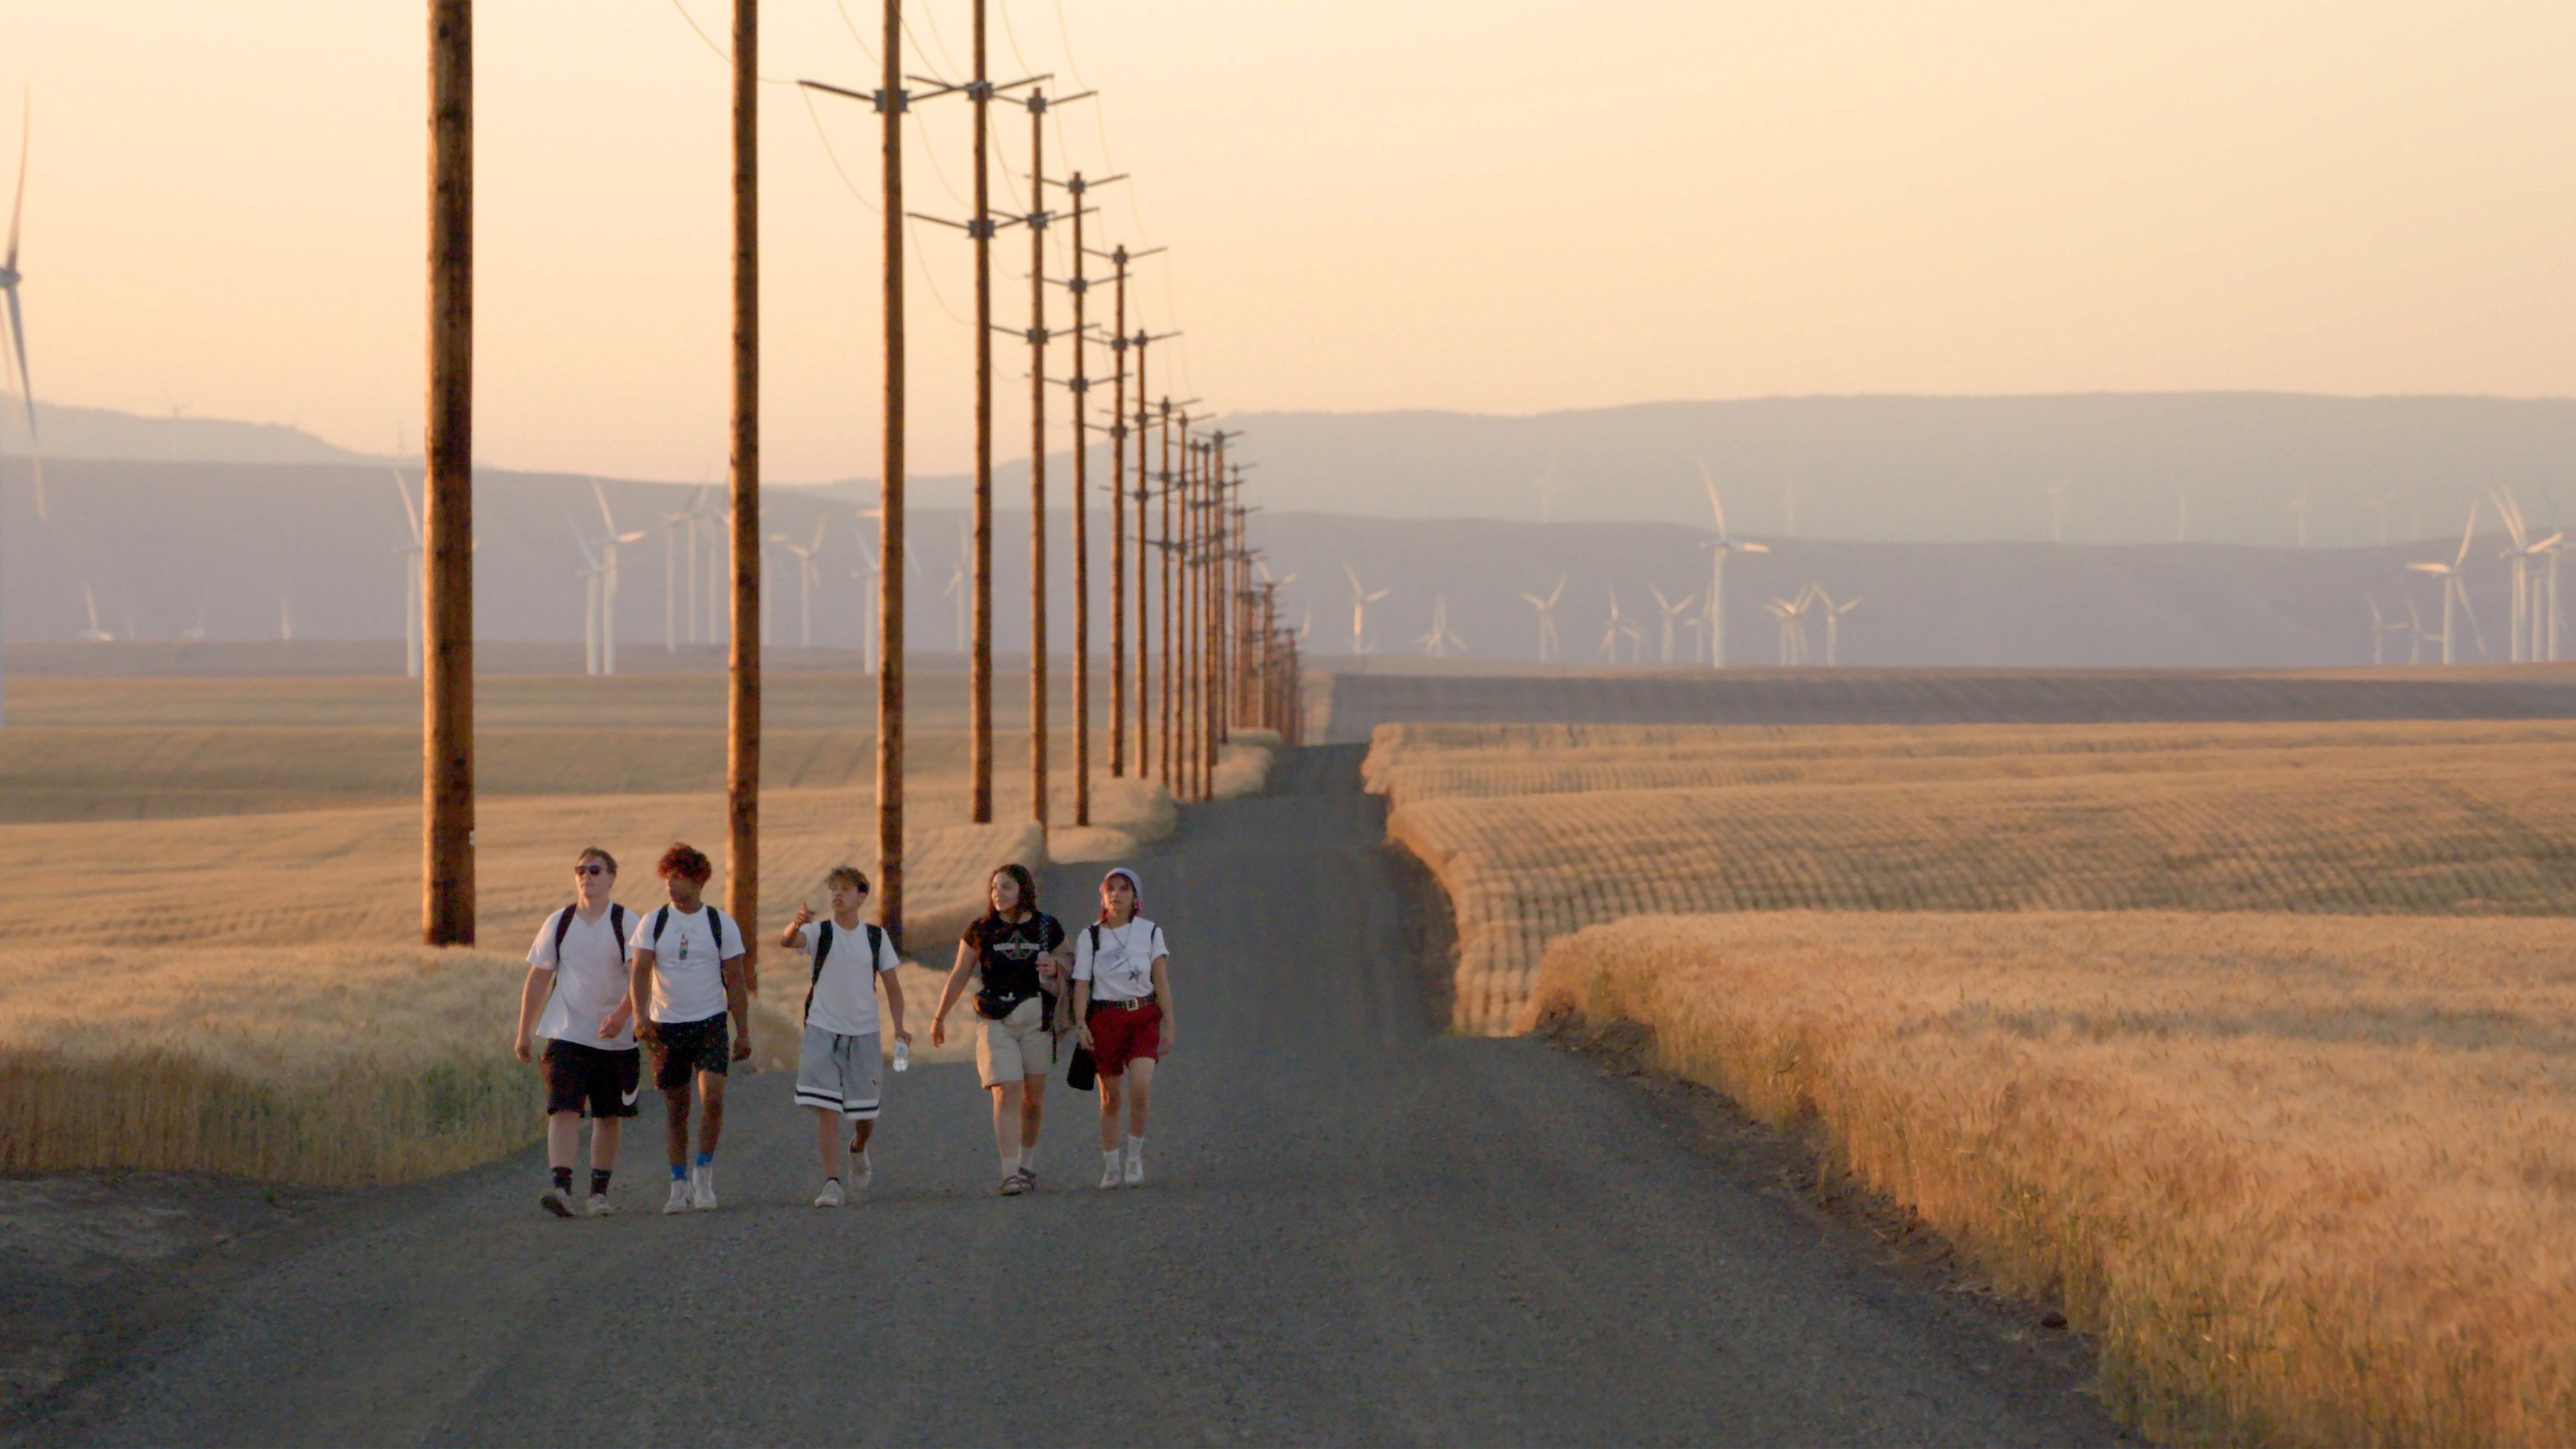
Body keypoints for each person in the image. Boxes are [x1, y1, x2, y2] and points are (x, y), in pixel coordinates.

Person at [622, 842, 751, 1214]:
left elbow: (736, 980)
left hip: (710, 1021)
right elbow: (641, 971)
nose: (671, 886)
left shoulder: (720, 924)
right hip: (666, 1026)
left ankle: (704, 1174)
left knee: (712, 1098)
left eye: (678, 878)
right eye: (667, 879)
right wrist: (640, 1016)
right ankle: (678, 1184)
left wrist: (742, 1031)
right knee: (677, 1108)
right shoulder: (654, 922)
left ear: (698, 881)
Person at [513, 847, 638, 1218]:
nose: (586, 876)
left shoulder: (626, 923)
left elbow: (641, 980)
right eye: (580, 870)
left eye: (595, 870)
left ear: (612, 877)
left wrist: (620, 1016)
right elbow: (538, 977)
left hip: (615, 1038)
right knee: (563, 1109)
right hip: (567, 1032)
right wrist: (524, 1031)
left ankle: (599, 1193)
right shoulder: (560, 922)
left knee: (608, 1115)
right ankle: (562, 1188)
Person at [931, 863, 1069, 1196]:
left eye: (1006, 887)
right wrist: (939, 1017)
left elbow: (1073, 964)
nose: (998, 894)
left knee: (1032, 1099)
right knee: (1006, 1088)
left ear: (1023, 890)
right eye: (994, 888)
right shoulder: (981, 929)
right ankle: (1009, 1173)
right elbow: (960, 973)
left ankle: (1026, 1164)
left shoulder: (1046, 926)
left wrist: (1057, 966)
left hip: (1036, 1017)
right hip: (995, 1017)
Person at [780, 866, 910, 1208]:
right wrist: (796, 922)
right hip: (822, 1029)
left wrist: (900, 1027)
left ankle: (859, 1147)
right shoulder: (818, 932)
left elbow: (893, 988)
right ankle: (831, 1183)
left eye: (845, 889)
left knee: (866, 1114)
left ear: (861, 896)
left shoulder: (875, 937)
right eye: (833, 889)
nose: (837, 895)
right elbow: (788, 941)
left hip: (864, 1032)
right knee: (827, 1108)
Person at [1071, 867, 1174, 1189]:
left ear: (1135, 897)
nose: (1116, 895)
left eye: (1124, 889)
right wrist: (1081, 1024)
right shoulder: (1090, 936)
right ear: (1103, 896)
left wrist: (1170, 1023)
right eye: (1110, 889)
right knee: (1111, 1096)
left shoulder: (1151, 933)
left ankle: (1135, 1159)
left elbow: (1160, 980)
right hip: (1106, 1019)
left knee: (1140, 1086)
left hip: (1143, 1016)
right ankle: (1112, 1165)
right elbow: (1081, 983)